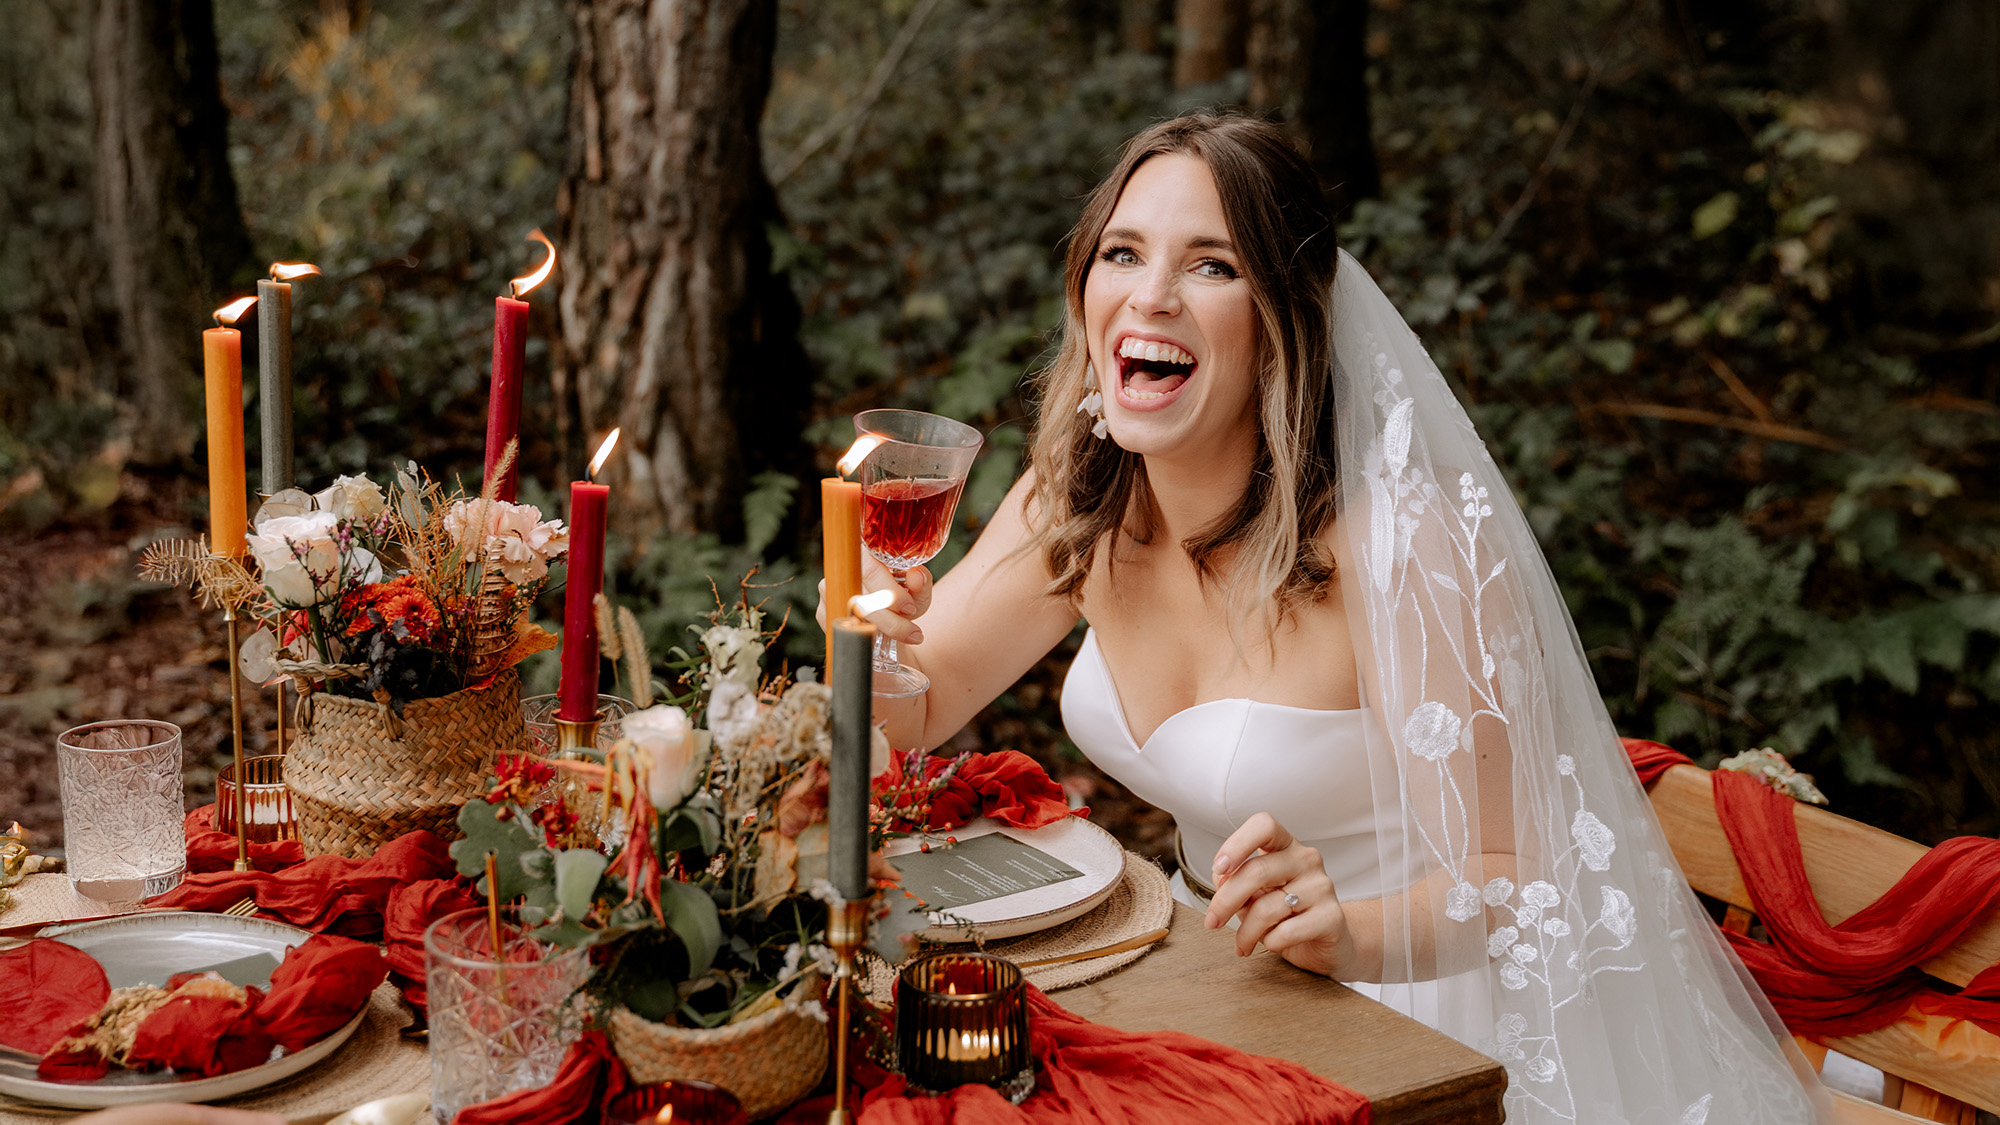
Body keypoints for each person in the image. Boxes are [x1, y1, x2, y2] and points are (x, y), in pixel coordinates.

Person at [825, 112, 1832, 1123]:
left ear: (1285, 318)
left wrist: (1349, 933)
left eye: (1211, 266)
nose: (1149, 294)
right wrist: (865, 621)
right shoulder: (1076, 495)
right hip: (1204, 989)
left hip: (1423, 1022)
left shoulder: (1404, 549)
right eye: (1120, 253)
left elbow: (1525, 878)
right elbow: (913, 707)